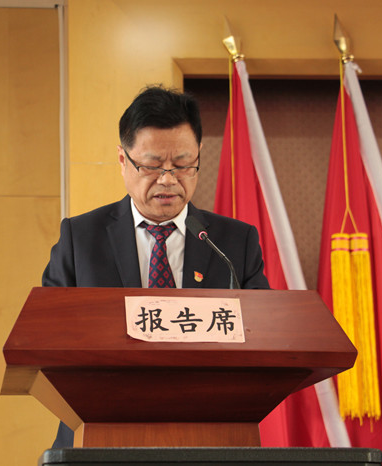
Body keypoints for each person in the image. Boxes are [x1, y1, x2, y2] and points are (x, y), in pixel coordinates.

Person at [42, 85, 270, 447]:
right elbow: (46, 336)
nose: (168, 179)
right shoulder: (81, 238)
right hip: (98, 432)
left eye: (182, 165)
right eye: (151, 166)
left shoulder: (232, 243)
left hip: (209, 435)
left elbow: (265, 337)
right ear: (123, 159)